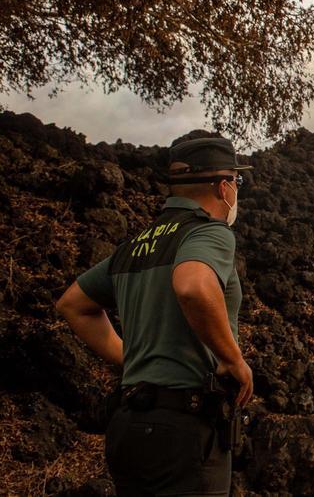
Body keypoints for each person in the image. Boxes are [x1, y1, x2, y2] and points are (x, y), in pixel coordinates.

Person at [55, 136, 253, 496]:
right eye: (237, 181)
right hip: (185, 431)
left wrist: (128, 357)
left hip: (128, 427)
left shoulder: (136, 245)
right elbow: (192, 285)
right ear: (224, 187)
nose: (238, 191)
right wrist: (232, 360)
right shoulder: (209, 233)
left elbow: (73, 304)